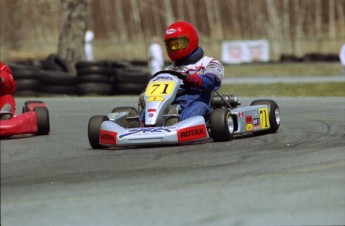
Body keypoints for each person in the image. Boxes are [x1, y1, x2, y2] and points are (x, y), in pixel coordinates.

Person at [135, 21, 224, 126]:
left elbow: (212, 81)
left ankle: (178, 123)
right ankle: (139, 124)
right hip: (168, 105)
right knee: (151, 105)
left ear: (191, 41)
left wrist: (194, 79)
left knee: (199, 106)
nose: (174, 49)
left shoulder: (208, 63)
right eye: (171, 46)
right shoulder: (168, 69)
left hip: (194, 104)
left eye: (178, 44)